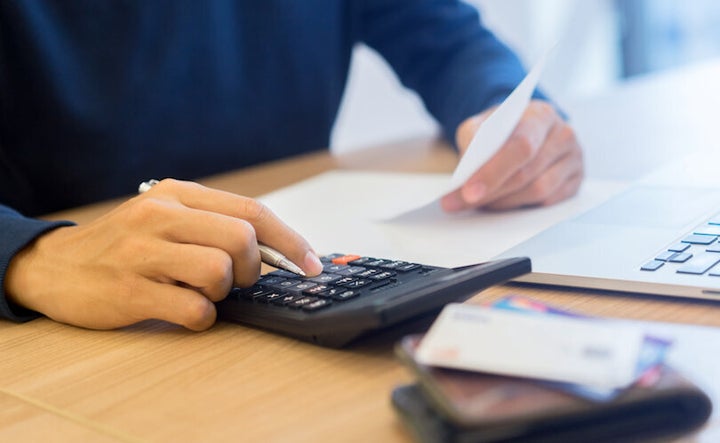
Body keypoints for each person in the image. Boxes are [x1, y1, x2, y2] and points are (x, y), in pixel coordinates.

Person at [0, 1, 583, 331]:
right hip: (82, 331)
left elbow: (443, 35)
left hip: (293, 285)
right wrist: (31, 255)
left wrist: (507, 115)